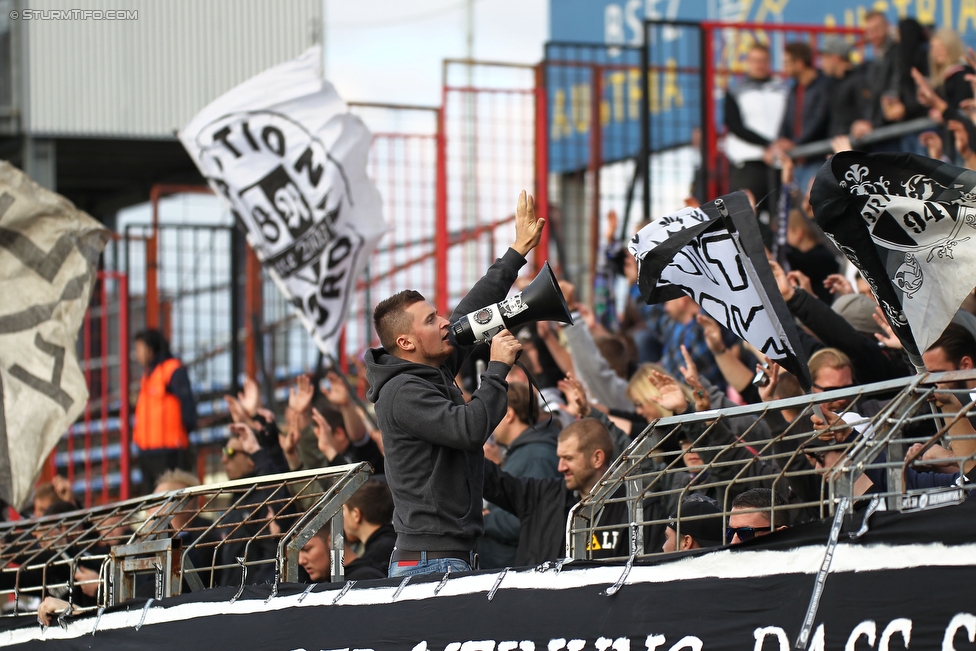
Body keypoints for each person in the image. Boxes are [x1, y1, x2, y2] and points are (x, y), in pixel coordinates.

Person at [364, 190, 544, 577]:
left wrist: (517, 251)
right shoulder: (401, 392)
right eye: (431, 320)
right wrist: (497, 369)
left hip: (443, 557)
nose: (445, 321)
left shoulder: (429, 369)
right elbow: (469, 429)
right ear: (406, 343)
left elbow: (470, 313)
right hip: (430, 562)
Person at [482, 418, 632, 566]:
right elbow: (495, 481)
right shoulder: (541, 495)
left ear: (597, 458)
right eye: (559, 458)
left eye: (568, 458)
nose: (561, 467)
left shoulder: (634, 507)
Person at [479, 382, 560, 568]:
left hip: (516, 571)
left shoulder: (537, 456)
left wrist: (485, 519)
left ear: (508, 414)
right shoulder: (525, 452)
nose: (488, 420)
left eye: (492, 412)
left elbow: (535, 516)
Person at [723, 43, 789, 212]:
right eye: (754, 60)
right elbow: (735, 126)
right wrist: (768, 145)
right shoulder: (735, 90)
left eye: (763, 60)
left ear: (770, 62)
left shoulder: (783, 88)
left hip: (780, 161)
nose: (759, 65)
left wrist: (778, 146)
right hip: (748, 162)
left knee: (780, 218)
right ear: (747, 62)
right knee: (746, 217)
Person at [132, 329, 197, 494]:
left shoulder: (172, 370)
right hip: (147, 451)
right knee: (151, 502)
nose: (136, 354)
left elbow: (187, 406)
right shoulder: (149, 375)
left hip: (170, 451)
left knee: (170, 500)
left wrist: (182, 435)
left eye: (139, 349)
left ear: (150, 349)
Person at [775, 42, 833, 192]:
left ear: (799, 63)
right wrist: (781, 141)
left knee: (811, 206)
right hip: (796, 161)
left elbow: (819, 119)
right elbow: (786, 119)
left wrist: (795, 143)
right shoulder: (794, 89)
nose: (784, 68)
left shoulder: (824, 85)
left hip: (816, 158)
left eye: (787, 63)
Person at [342, 480, 397, 579]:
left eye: (344, 510)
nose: (342, 517)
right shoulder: (391, 540)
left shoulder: (378, 554)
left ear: (356, 515)